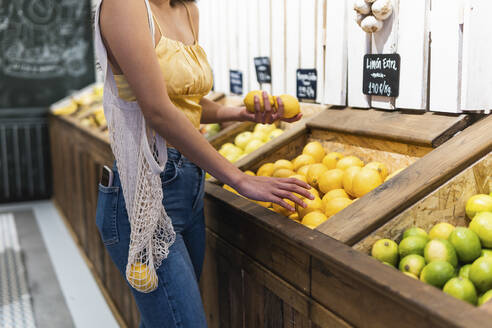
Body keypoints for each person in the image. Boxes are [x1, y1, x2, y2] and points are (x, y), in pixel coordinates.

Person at [94, 0, 313, 327]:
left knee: (167, 319)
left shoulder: (187, 10)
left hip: (189, 184)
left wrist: (240, 114)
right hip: (145, 193)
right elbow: (156, 109)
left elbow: (185, 101)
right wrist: (239, 179)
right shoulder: (124, 5)